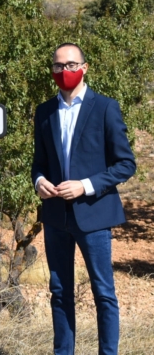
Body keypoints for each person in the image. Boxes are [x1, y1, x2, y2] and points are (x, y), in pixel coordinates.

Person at [31, 43, 136, 355]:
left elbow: (126, 164)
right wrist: (39, 182)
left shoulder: (105, 107)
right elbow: (39, 162)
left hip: (94, 215)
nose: (65, 71)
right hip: (55, 218)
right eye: (59, 66)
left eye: (71, 64)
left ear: (85, 67)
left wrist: (85, 185)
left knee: (103, 292)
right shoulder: (44, 112)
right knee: (59, 291)